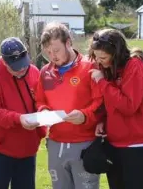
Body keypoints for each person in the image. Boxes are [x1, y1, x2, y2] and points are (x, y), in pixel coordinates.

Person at [35, 22, 104, 189]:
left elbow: (101, 103)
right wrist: (43, 111)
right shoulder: (45, 72)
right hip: (56, 144)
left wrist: (84, 116)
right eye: (48, 52)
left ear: (68, 42)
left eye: (56, 50)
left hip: (85, 145)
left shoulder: (90, 67)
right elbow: (40, 100)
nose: (53, 56)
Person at [89, 28, 143, 189]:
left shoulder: (135, 66)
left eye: (103, 57)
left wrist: (102, 83)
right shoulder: (108, 68)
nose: (99, 62)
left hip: (139, 146)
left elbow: (128, 106)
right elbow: (108, 103)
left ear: (116, 53)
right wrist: (102, 121)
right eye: (96, 57)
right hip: (114, 144)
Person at [0, 37, 47, 189]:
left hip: (27, 149)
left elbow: (40, 100)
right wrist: (18, 118)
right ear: (4, 62)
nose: (22, 69)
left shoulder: (34, 72)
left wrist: (43, 113)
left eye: (24, 64)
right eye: (16, 67)